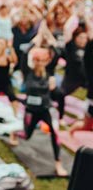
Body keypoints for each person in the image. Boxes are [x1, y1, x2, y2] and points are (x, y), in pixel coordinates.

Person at [22, 47, 67, 176]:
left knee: (54, 133)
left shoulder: (48, 72)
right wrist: (37, 38)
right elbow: (25, 53)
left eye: (43, 60)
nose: (40, 63)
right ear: (34, 61)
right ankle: (15, 133)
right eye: (38, 60)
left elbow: (57, 53)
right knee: (27, 135)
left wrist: (47, 35)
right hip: (31, 111)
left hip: (45, 109)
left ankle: (58, 163)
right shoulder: (27, 72)